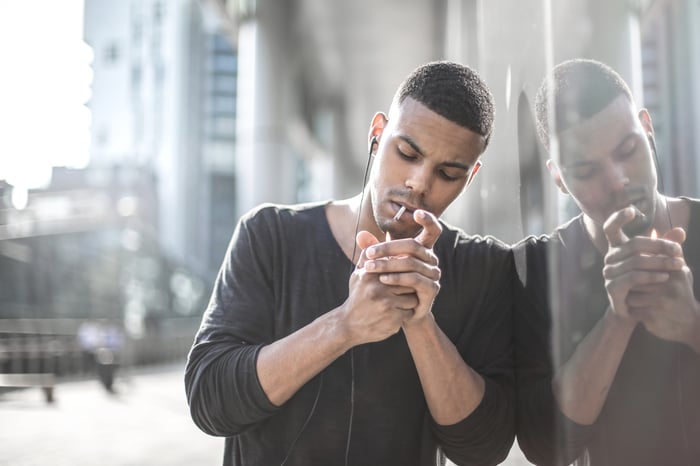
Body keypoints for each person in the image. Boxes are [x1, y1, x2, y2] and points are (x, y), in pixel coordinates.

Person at [185, 61, 515, 466]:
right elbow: (209, 401)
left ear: (471, 176)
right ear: (378, 134)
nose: (419, 183)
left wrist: (420, 322)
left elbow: (484, 448)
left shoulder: (481, 268)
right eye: (408, 153)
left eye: (447, 173)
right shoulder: (269, 234)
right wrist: (344, 325)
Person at [514, 58, 700, 466]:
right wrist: (617, 319)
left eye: (628, 150)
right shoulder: (538, 268)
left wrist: (691, 323)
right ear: (559, 177)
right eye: (585, 170)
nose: (617, 180)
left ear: (647, 128)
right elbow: (545, 446)